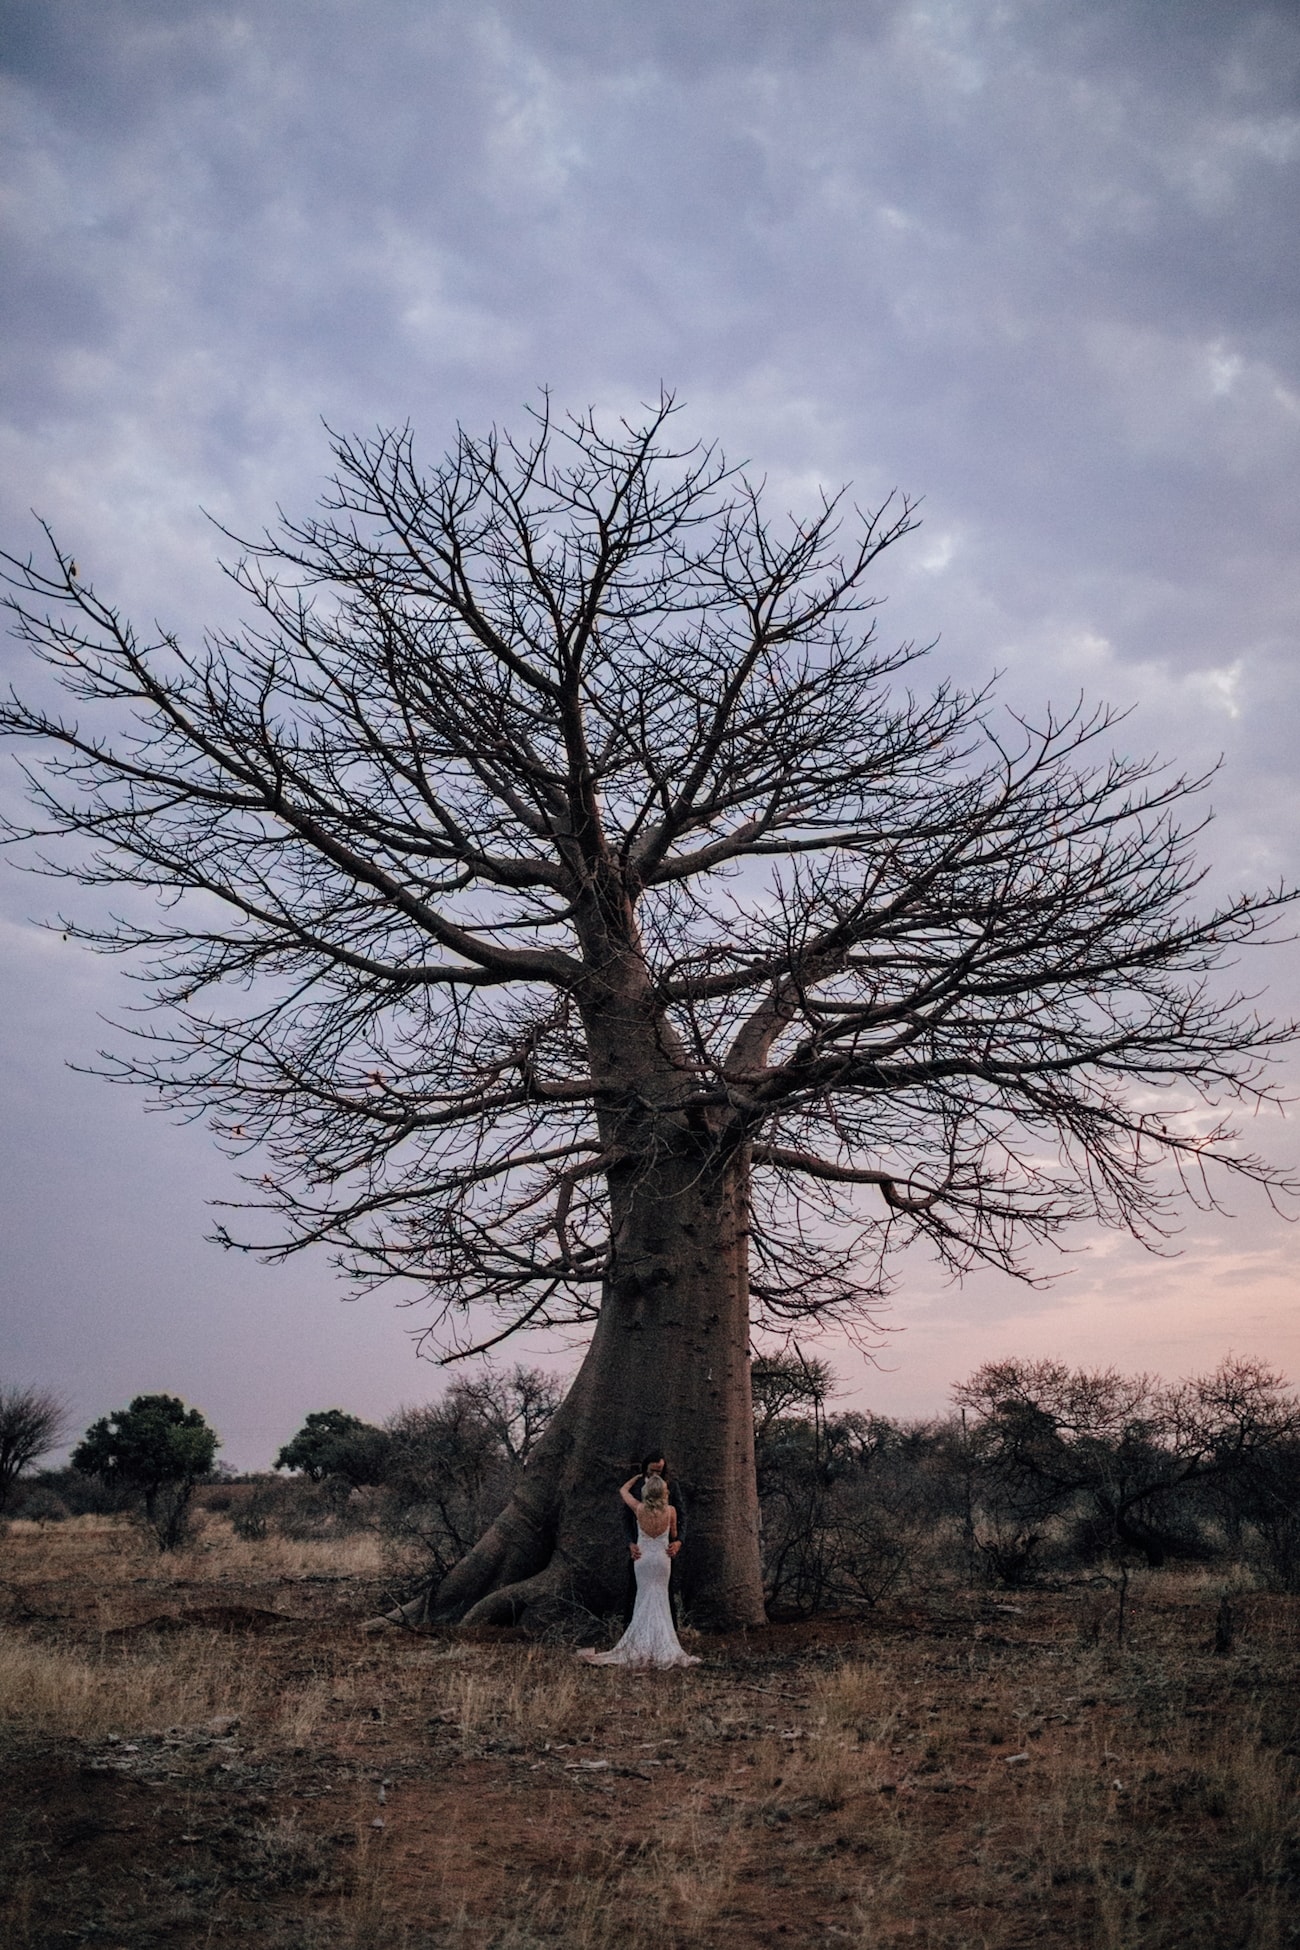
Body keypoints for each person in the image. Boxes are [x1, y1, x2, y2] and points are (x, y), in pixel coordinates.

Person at [578, 1469, 700, 1668]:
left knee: (643, 1599)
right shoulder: (671, 1511)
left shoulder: (639, 1508)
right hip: (662, 1559)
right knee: (661, 1599)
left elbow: (623, 1491)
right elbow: (675, 1534)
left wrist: (636, 1477)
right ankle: (661, 1644)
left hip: (642, 1560)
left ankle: (641, 1643)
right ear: (663, 1492)